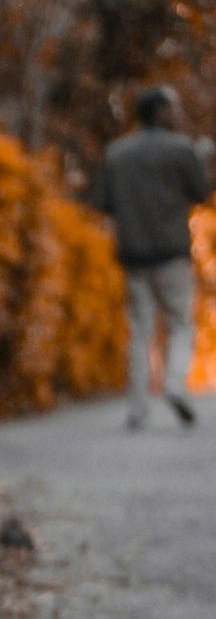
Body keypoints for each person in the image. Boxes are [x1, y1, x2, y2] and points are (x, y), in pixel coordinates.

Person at [97, 85, 212, 429]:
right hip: (171, 253)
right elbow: (203, 191)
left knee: (140, 331)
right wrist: (202, 157)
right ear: (160, 111)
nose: (178, 113)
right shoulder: (181, 149)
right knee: (179, 323)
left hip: (133, 255)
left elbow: (104, 202)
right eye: (173, 106)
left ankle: (136, 406)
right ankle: (175, 384)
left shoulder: (117, 152)